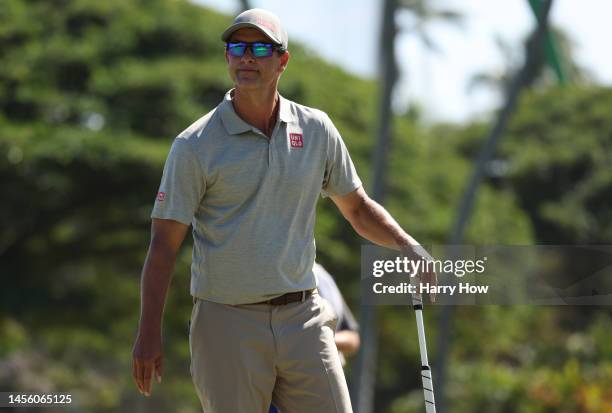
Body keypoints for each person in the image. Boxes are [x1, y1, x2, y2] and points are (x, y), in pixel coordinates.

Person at [131, 8, 436, 413]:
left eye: (260, 48)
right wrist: (149, 330)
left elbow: (357, 208)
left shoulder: (316, 129)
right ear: (226, 57)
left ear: (283, 60)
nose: (246, 58)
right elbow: (164, 245)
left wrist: (406, 244)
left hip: (303, 317)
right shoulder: (194, 145)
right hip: (226, 321)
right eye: (237, 47)